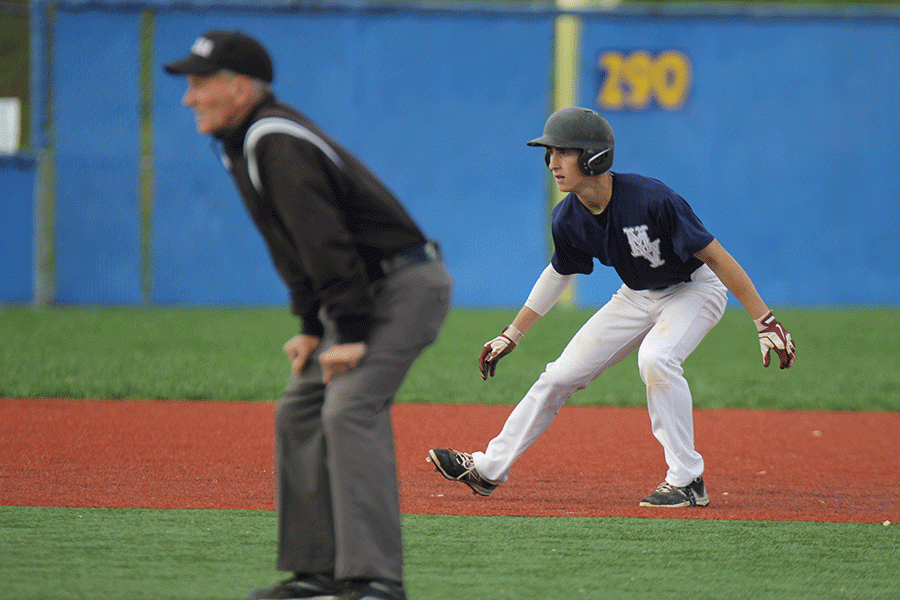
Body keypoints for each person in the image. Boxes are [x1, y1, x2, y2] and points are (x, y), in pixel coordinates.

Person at [164, 30, 451, 600]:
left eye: (200, 84)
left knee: (349, 407)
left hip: (402, 287)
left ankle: (374, 579)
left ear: (240, 88)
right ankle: (317, 572)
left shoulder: (276, 141)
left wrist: (350, 330)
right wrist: (310, 327)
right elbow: (289, 244)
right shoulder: (243, 142)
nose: (188, 97)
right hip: (366, 291)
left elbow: (324, 239)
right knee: (299, 409)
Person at [428, 107, 795, 508]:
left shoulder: (651, 198)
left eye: (563, 152)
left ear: (594, 157)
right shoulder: (568, 217)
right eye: (549, 153)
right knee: (558, 376)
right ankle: (488, 469)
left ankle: (688, 480)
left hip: (693, 289)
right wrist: (511, 333)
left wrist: (765, 320)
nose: (552, 163)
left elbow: (717, 258)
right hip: (636, 295)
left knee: (656, 359)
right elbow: (558, 273)